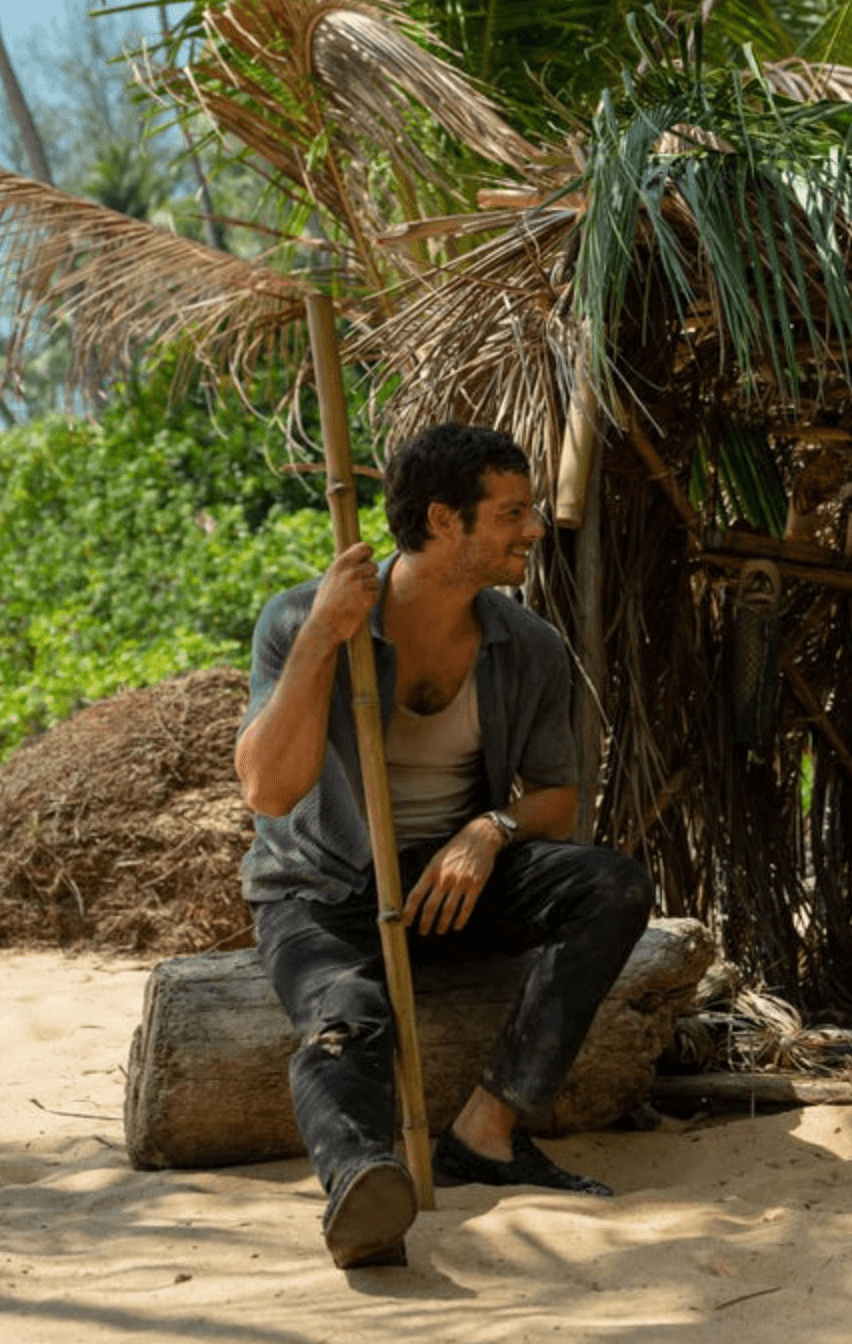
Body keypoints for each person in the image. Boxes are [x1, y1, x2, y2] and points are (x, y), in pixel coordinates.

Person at [236, 423, 654, 1269]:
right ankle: (363, 1186)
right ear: (442, 520)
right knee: (348, 1020)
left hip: (448, 887)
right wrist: (321, 638)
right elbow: (268, 792)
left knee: (611, 885)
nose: (533, 529)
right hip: (322, 891)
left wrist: (489, 830)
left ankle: (485, 1132)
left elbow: (559, 800)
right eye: (511, 513)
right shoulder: (301, 618)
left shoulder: (526, 646)